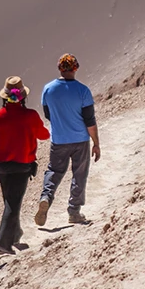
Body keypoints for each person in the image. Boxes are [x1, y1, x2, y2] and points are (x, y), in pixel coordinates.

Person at [0, 76, 50, 255]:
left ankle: (15, 234)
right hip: (22, 166)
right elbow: (44, 135)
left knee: (10, 201)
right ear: (23, 97)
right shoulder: (30, 116)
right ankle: (3, 243)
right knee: (13, 203)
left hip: (1, 167)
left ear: (5, 97)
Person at [35, 53, 101, 226]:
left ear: (59, 68)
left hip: (58, 139)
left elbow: (48, 114)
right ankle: (74, 211)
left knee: (54, 171)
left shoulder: (48, 89)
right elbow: (90, 120)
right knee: (79, 174)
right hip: (80, 140)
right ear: (76, 68)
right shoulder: (83, 91)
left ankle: (46, 197)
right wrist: (96, 143)